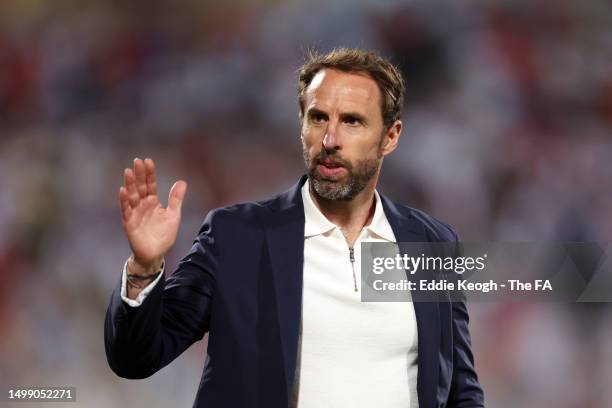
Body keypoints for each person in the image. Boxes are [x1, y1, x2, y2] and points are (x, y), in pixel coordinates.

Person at [104, 48, 484, 408]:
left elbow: (459, 390)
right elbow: (136, 359)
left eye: (352, 121)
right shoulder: (238, 236)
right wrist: (144, 268)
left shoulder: (431, 242)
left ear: (390, 136)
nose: (330, 140)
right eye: (318, 118)